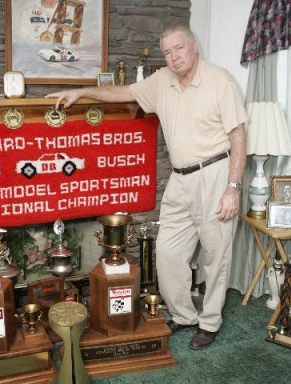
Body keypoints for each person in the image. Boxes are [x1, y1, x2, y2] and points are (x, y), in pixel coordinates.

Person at [46, 21, 247, 350]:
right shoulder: (162, 81)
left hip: (215, 174)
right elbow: (122, 92)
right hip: (180, 178)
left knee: (216, 255)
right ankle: (184, 315)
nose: (174, 57)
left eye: (179, 48)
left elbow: (238, 135)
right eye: (167, 52)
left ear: (193, 46)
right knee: (167, 253)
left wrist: (233, 187)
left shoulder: (219, 80)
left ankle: (209, 322)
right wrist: (81, 91)